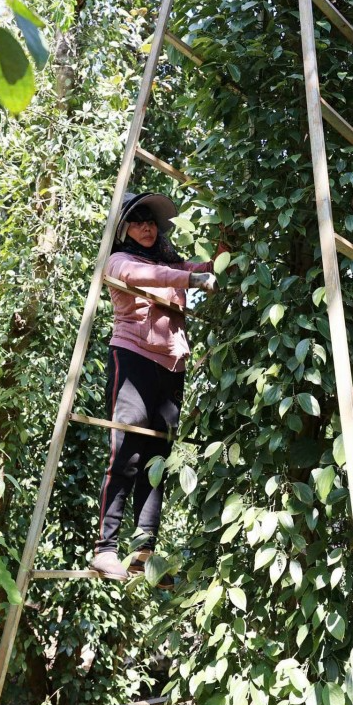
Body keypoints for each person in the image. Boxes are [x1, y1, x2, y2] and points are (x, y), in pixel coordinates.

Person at [88, 191, 219, 583]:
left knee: (156, 463)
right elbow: (144, 276)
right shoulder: (119, 260)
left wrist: (228, 239)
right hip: (133, 358)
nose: (147, 227)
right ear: (124, 228)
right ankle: (105, 550)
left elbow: (209, 265)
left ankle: (143, 553)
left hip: (171, 367)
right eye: (138, 219)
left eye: (152, 222)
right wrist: (189, 278)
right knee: (125, 454)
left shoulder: (171, 263)